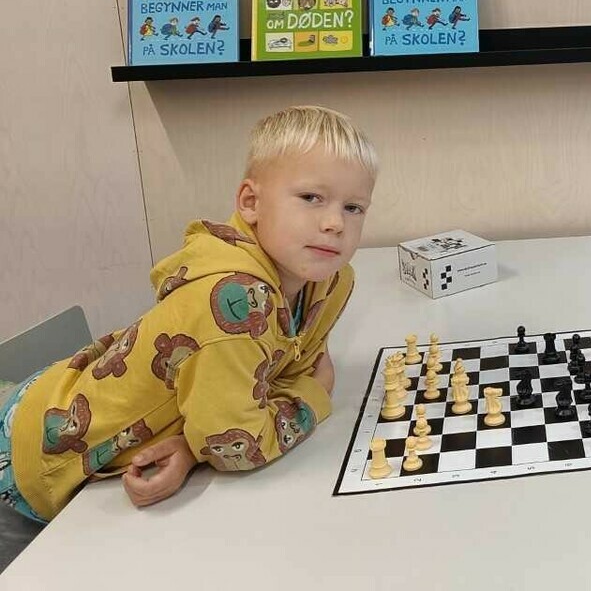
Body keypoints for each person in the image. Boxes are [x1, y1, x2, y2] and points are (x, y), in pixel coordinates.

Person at [0, 105, 377, 571]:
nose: (335, 223)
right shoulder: (235, 301)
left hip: (74, 410)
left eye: (353, 207)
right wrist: (315, 396)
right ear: (250, 202)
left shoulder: (330, 280)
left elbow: (263, 385)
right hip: (33, 463)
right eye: (311, 198)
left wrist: (190, 445)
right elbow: (242, 445)